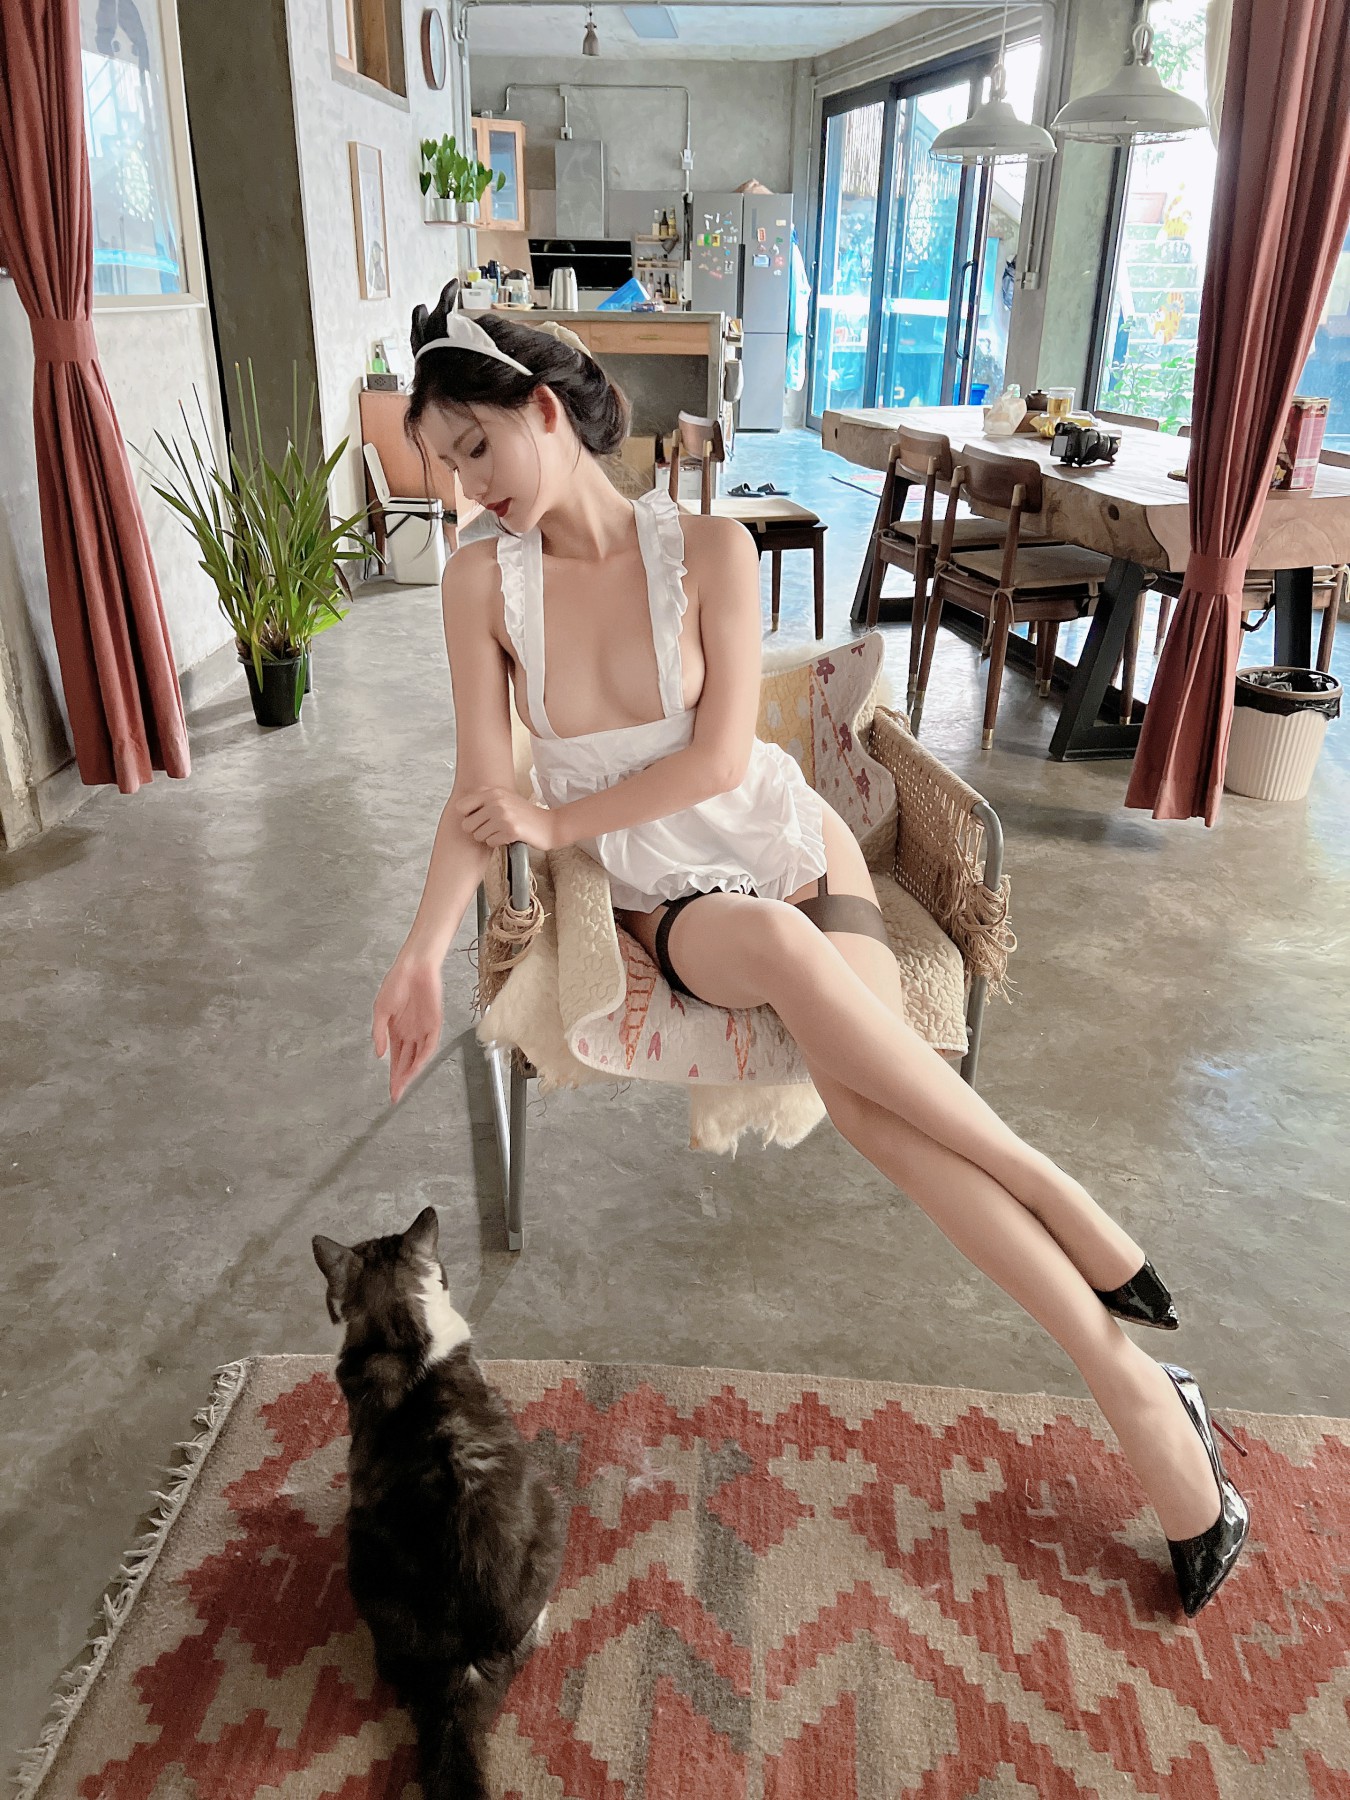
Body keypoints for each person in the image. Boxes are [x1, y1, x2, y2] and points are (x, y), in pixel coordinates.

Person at [372, 283, 1248, 1618]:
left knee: (882, 1114)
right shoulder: (482, 585)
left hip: (792, 842)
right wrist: (420, 954)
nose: (466, 487)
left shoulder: (710, 549)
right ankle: (1067, 1215)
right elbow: (478, 798)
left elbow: (725, 759)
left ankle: (1132, 1386)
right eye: (445, 465)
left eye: (475, 447)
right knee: (785, 957)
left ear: (543, 412)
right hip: (676, 898)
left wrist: (553, 814)